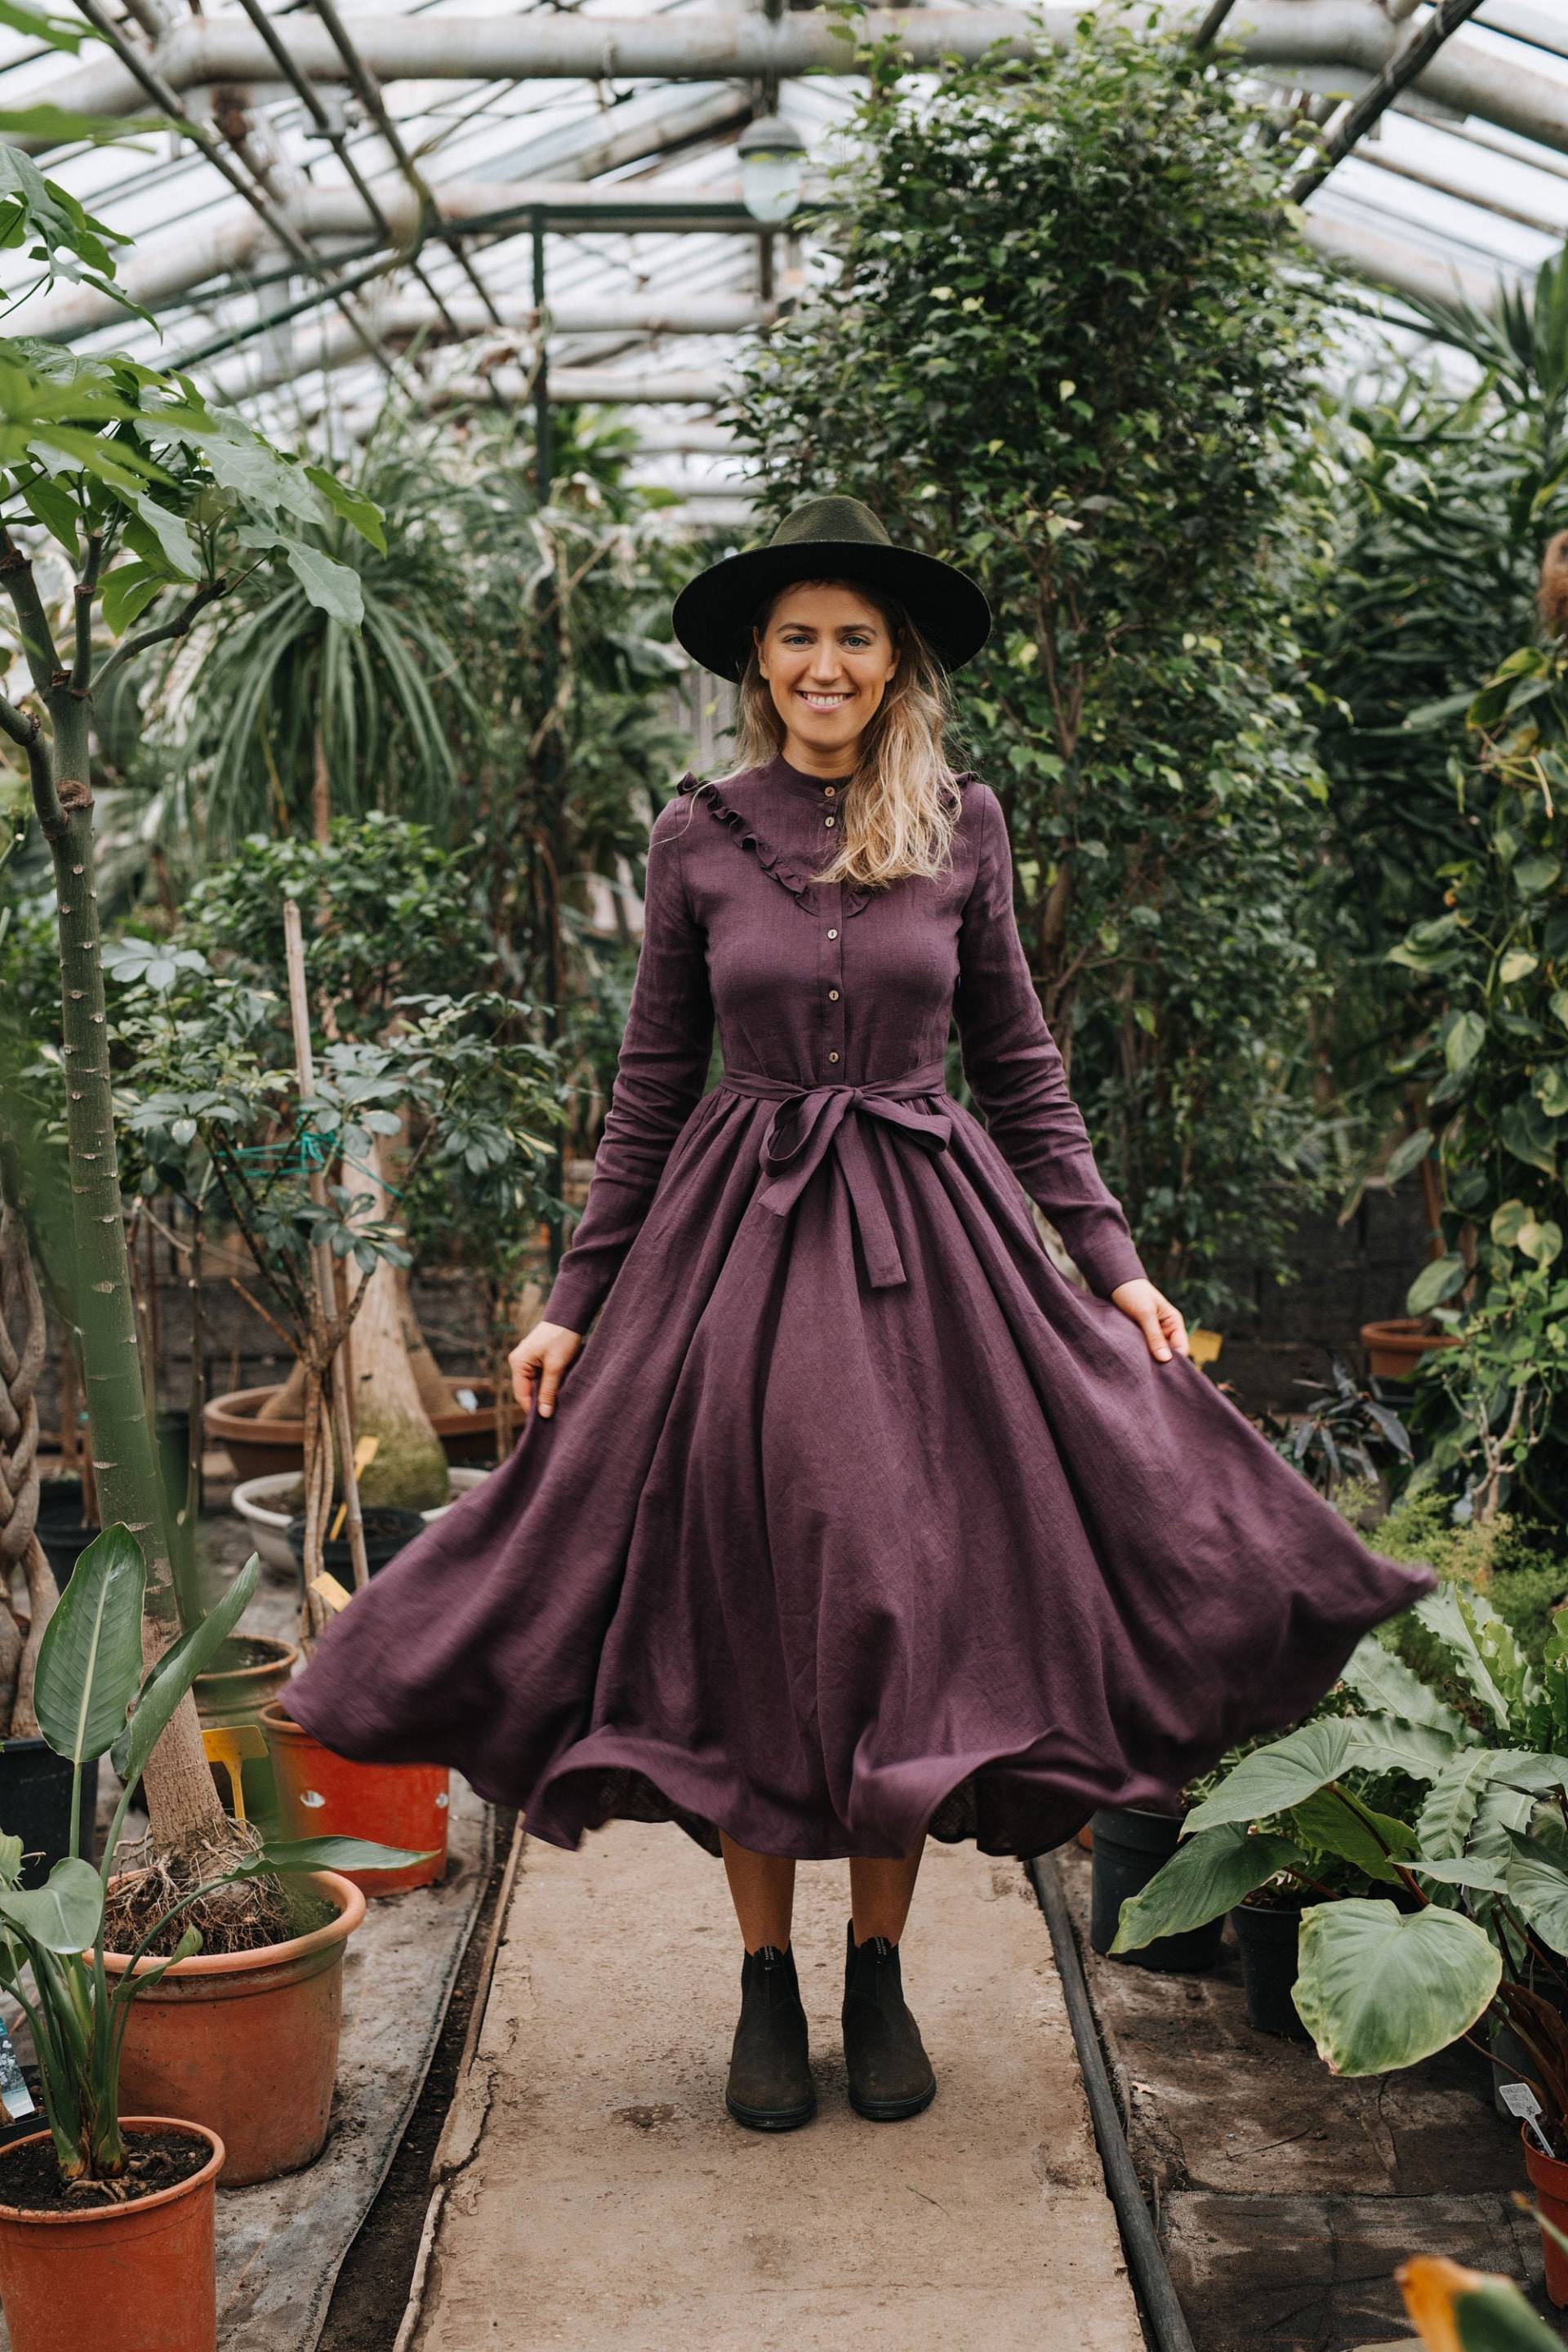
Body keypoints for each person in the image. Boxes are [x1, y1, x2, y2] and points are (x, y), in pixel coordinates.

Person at [286, 493, 1434, 2135]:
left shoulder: (962, 824)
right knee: (744, 1617)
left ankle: (877, 1969)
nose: (825, 664)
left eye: (855, 639)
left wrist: (1114, 1265)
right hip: (735, 1259)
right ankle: (765, 1981)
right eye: (798, 638)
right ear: (761, 663)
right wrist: (575, 1302)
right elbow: (650, 1085)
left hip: (926, 1256)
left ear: (896, 665)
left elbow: (1020, 1067)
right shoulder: (698, 835)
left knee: (907, 1610)